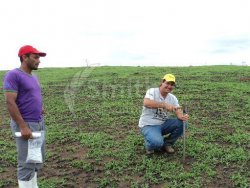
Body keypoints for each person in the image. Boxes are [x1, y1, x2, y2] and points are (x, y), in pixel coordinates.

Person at [3, 45, 46, 188]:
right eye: (35, 57)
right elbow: (10, 101)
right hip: (25, 124)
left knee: (35, 159)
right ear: (24, 57)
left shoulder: (34, 76)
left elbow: (31, 95)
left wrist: (39, 107)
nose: (38, 61)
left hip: (38, 123)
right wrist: (22, 126)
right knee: (26, 163)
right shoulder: (13, 75)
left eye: (39, 58)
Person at [138, 74, 189, 155]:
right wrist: (164, 105)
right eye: (167, 83)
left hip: (163, 124)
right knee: (156, 143)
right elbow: (146, 103)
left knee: (183, 123)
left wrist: (182, 116)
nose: (169, 86)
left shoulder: (172, 98)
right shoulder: (152, 91)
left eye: (172, 85)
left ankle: (167, 144)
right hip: (148, 125)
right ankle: (149, 145)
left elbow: (178, 111)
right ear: (162, 82)